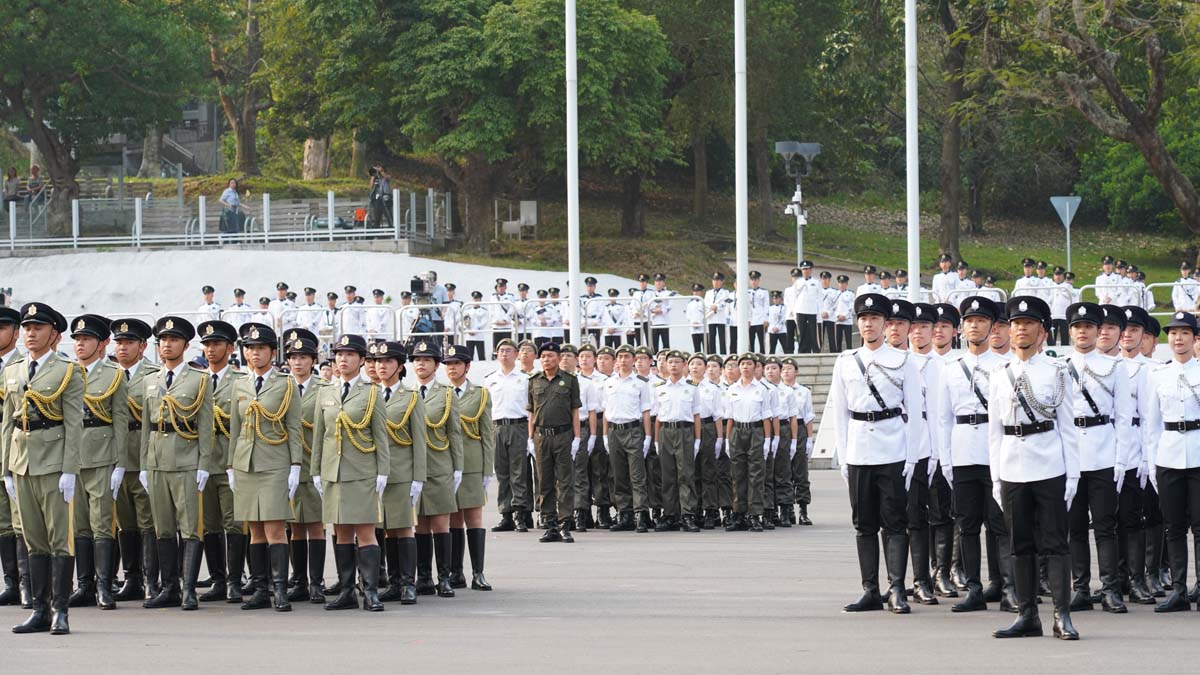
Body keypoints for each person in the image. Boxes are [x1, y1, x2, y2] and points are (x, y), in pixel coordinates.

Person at [987, 296, 1079, 640]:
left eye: (1028, 323)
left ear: (1042, 331)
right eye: (1015, 323)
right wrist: (996, 476)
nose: (1020, 329)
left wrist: (1073, 474)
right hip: (1012, 466)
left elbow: (1068, 426)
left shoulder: (1056, 371)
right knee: (1020, 544)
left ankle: (1061, 615)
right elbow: (994, 431)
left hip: (1049, 464)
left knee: (1055, 543)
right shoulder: (1000, 374)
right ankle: (1027, 615)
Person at [827, 293, 925, 614]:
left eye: (875, 319)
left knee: (895, 522)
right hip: (858, 450)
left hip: (892, 447)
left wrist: (911, 457)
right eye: (863, 318)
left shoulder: (903, 361)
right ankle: (869, 588)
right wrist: (843, 456)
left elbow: (915, 410)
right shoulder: (845, 361)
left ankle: (896, 587)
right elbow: (839, 412)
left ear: (886, 323)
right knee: (863, 523)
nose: (868, 324)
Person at [3, 303, 82, 635]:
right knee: (34, 539)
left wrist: (70, 470)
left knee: (58, 540)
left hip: (53, 462)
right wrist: (6, 468)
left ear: (54, 334)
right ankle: (39, 610)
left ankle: (60, 610)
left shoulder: (68, 370)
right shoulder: (13, 371)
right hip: (22, 462)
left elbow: (75, 424)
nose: (30, 333)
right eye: (26, 327)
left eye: (37, 327)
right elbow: (8, 422)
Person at [140, 316, 216, 612]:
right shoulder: (151, 380)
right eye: (162, 340)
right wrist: (146, 463)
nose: (167, 345)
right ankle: (169, 587)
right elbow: (148, 425)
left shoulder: (199, 380)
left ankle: (188, 589)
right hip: (158, 459)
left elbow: (206, 425)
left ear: (185, 344)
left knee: (190, 526)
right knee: (163, 526)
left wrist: (204, 464)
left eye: (173, 340)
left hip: (186, 458)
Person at [1062, 302, 1133, 613]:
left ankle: (1110, 589)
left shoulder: (1114, 367)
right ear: (1070, 331)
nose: (1083, 332)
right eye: (1078, 327)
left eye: (1089, 327)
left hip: (1103, 450)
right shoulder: (1059, 366)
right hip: (1070, 455)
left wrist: (1120, 459)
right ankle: (1080, 588)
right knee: (1074, 526)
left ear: (1097, 331)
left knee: (1105, 526)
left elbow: (1124, 416)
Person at [226, 323, 302, 612]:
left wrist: (295, 465)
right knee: (254, 529)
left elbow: (294, 427)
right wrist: (231, 464)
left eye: (260, 348)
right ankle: (260, 588)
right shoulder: (240, 384)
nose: (254, 353)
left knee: (274, 528)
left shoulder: (285, 384)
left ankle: (280, 589)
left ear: (272, 352)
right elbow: (236, 428)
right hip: (246, 463)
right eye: (250, 348)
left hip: (274, 462)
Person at [310, 334, 389, 611]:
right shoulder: (326, 391)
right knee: (341, 532)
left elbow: (380, 434)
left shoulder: (370, 392)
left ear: (362, 360)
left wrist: (383, 471)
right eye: (339, 354)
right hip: (334, 471)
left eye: (350, 354)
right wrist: (316, 471)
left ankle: (370, 591)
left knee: (366, 532)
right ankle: (346, 591)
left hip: (362, 470)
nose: (343, 359)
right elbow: (321, 435)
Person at [66, 315, 129, 611]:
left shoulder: (113, 374)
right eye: (77, 339)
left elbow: (120, 421)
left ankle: (105, 585)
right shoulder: (67, 373)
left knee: (102, 524)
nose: (80, 344)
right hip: (74, 457)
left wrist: (120, 463)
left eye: (87, 339)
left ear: (102, 343)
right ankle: (85, 585)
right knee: (79, 526)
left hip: (103, 455)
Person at [1142, 310, 1200, 612]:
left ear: (1195, 338)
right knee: (1173, 526)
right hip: (1168, 455)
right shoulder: (1157, 376)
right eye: (1174, 333)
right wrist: (1152, 465)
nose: (1178, 338)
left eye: (1185, 333)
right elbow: (1151, 426)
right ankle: (1178, 589)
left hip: (1199, 453)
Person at [368, 340, 426, 604]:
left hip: (402, 471)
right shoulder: (368, 395)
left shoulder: (411, 396)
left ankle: (408, 584)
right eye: (378, 361)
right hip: (374, 473)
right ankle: (393, 583)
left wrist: (418, 478)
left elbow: (419, 440)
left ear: (400, 366)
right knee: (386, 528)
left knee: (403, 528)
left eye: (388, 361)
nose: (381, 366)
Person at [107, 319, 160, 604]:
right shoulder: (110, 375)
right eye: (119, 343)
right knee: (124, 521)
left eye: (129, 343)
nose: (123, 347)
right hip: (118, 458)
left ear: (142, 346)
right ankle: (132, 578)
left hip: (144, 455)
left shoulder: (153, 374)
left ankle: (153, 580)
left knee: (148, 521)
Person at [197, 320, 246, 603]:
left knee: (233, 523)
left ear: (229, 348)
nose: (211, 349)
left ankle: (235, 581)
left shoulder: (239, 381)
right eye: (207, 344)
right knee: (210, 524)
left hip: (229, 460)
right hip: (204, 461)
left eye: (216, 344)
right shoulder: (196, 379)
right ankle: (217, 579)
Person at [410, 341, 464, 596]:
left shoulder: (445, 393)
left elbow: (454, 432)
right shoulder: (406, 391)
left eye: (426, 360)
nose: (421, 364)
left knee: (441, 524)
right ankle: (424, 577)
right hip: (414, 468)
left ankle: (444, 578)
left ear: (436, 365)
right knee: (419, 525)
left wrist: (458, 467)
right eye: (417, 359)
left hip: (440, 464)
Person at [442, 344, 495, 591]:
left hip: (472, 462)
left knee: (473, 517)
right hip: (447, 461)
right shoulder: (440, 393)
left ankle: (478, 572)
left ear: (467, 366)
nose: (451, 368)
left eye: (456, 363)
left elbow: (486, 434)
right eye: (448, 364)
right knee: (452, 518)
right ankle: (456, 572)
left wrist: (487, 469)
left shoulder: (480, 394)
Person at [282, 329, 328, 603]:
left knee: (315, 524)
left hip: (313, 463)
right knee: (294, 525)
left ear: (313, 360)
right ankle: (298, 580)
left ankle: (316, 582)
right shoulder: (283, 385)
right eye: (293, 357)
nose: (297, 362)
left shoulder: (324, 388)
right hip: (286, 464)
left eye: (303, 357)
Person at [526, 342, 581, 543]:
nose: (546, 359)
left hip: (563, 435)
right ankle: (550, 525)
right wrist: (530, 438)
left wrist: (577, 438)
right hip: (541, 437)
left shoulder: (569, 380)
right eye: (544, 356)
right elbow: (531, 412)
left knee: (565, 481)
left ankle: (565, 524)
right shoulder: (534, 381)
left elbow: (575, 410)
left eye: (550, 356)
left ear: (558, 358)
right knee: (545, 482)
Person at [603, 345, 653, 532]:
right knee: (619, 475)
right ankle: (625, 513)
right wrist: (605, 436)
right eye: (620, 356)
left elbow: (646, 412)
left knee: (637, 476)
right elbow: (606, 412)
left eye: (627, 356)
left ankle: (641, 513)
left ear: (633, 360)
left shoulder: (641, 383)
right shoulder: (609, 383)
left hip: (633, 430)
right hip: (614, 431)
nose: (623, 360)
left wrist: (647, 437)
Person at [485, 339, 532, 532]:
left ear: (516, 354)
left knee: (519, 472)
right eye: (501, 350)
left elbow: (532, 409)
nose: (504, 354)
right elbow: (486, 409)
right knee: (502, 472)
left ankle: (521, 513)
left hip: (518, 426)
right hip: (497, 428)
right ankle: (506, 514)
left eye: (509, 351)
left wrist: (530, 435)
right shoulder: (490, 379)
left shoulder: (525, 379)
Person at [0, 307, 22, 607]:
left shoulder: (22, 365)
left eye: (3, 327)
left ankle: (30, 584)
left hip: (19, 450)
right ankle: (11, 582)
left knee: (22, 521)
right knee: (3, 521)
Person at [782, 358, 815, 525]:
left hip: (801, 429)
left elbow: (808, 416)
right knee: (784, 471)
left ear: (796, 371)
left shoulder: (804, 391)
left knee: (801, 472)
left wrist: (809, 439)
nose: (786, 372)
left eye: (789, 368)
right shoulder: (776, 391)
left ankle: (803, 510)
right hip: (783, 429)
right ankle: (786, 510)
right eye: (784, 369)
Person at [704, 273, 733, 354]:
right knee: (711, 338)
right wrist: (712, 306)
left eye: (717, 280)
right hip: (711, 317)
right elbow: (705, 303)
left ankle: (723, 354)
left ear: (722, 281)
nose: (715, 282)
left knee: (722, 339)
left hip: (721, 318)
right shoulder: (708, 292)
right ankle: (712, 355)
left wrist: (718, 307)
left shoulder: (725, 292)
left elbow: (726, 302)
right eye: (714, 280)